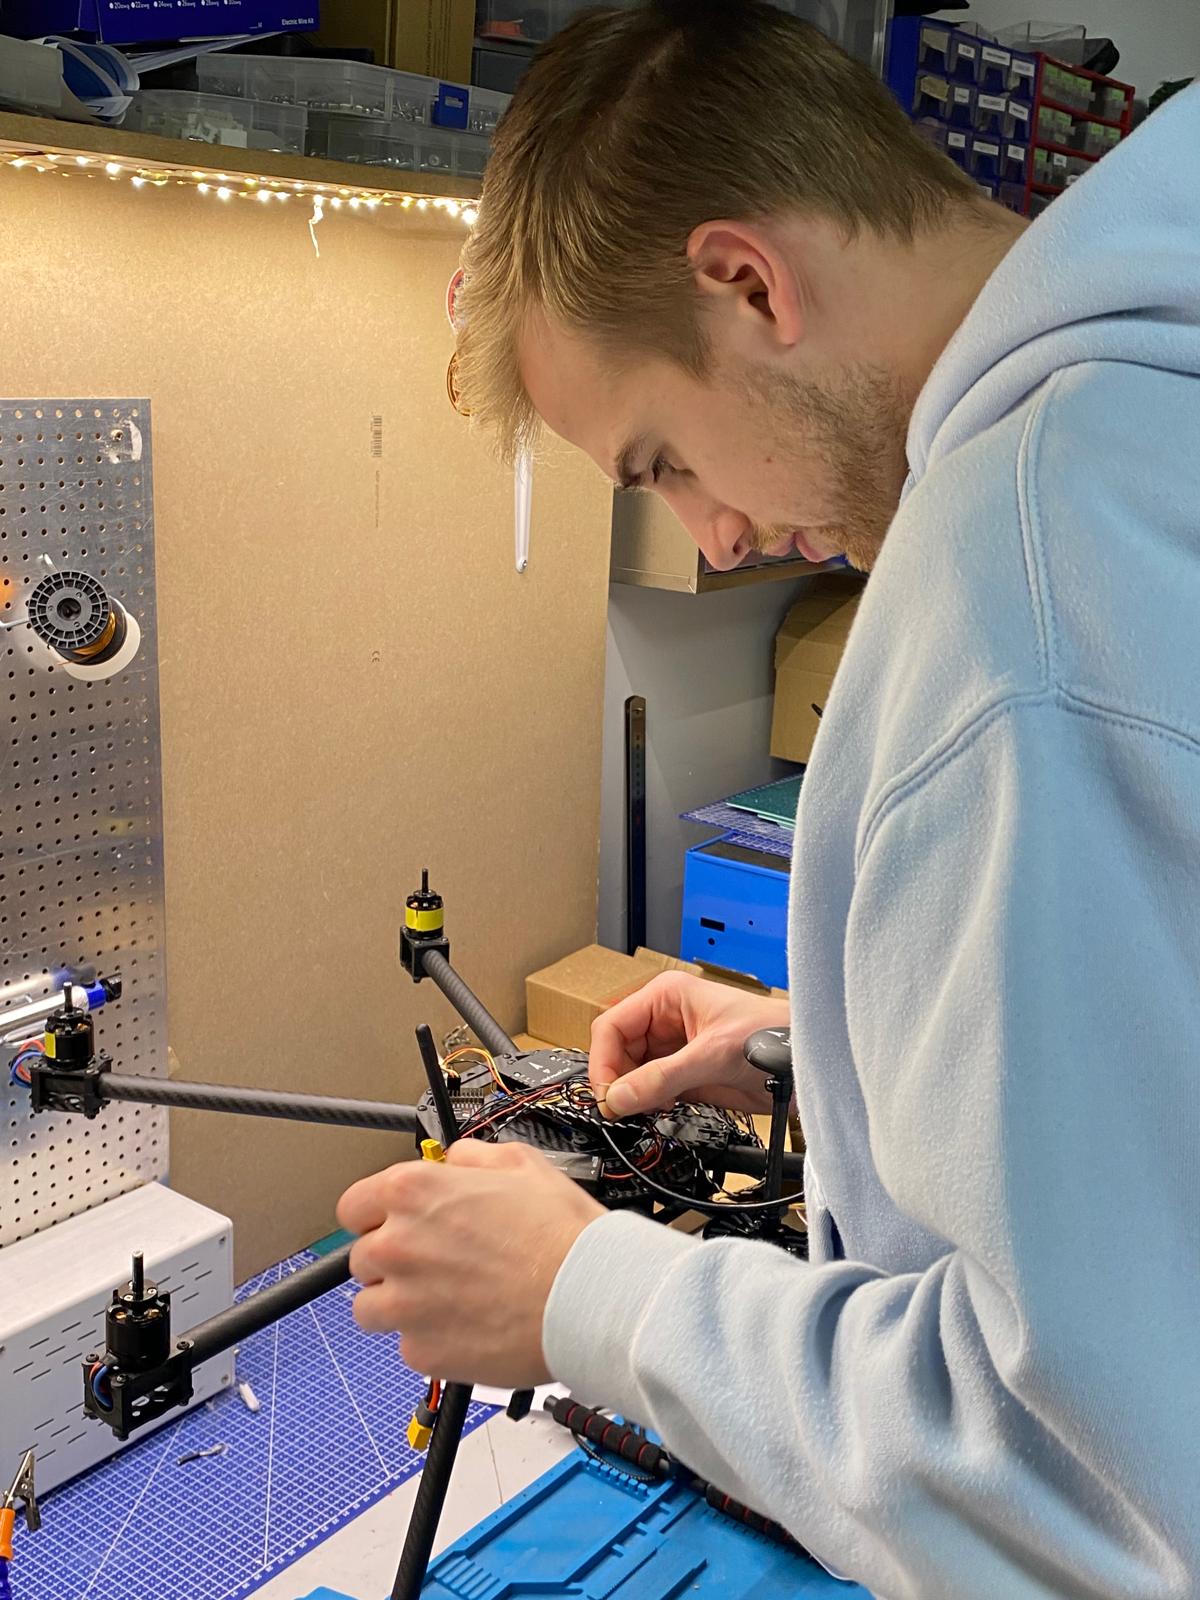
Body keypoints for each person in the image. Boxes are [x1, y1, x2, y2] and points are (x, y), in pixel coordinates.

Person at [336, 3, 1200, 1593]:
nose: (716, 537)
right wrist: (850, 1045)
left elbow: (1096, 1489)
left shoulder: (1021, 588)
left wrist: (591, 1293)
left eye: (662, 459)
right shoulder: (1151, 401)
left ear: (749, 283)